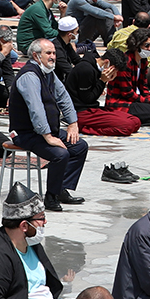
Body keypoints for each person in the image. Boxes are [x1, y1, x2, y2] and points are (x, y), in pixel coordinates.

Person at [11, 38, 90, 212]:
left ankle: (61, 189)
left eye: (54, 53)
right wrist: (48, 136)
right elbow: (36, 108)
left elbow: (64, 97)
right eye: (48, 53)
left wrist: (73, 123)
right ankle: (51, 196)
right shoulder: (29, 76)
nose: (53, 57)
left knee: (79, 146)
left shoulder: (48, 73)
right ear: (36, 55)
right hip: (26, 133)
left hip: (46, 131)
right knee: (60, 154)